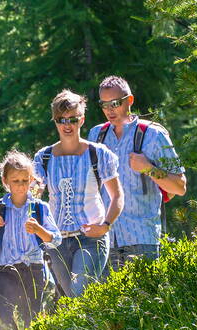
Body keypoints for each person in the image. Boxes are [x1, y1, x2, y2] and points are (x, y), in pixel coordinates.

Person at [87, 76, 186, 271]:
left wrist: (149, 168)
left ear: (129, 101)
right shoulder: (96, 136)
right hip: (105, 241)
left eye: (115, 103)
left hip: (142, 240)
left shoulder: (154, 135)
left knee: (145, 300)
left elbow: (180, 187)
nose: (109, 110)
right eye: (104, 104)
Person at [33, 90, 124, 298]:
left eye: (72, 119)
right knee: (73, 304)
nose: (67, 125)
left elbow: (117, 196)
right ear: (55, 121)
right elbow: (35, 197)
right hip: (56, 242)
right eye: (61, 120)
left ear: (81, 120)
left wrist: (105, 226)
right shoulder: (44, 158)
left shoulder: (98, 154)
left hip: (91, 238)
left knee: (79, 293)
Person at [0, 150, 62, 330]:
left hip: (34, 269)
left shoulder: (40, 208)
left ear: (31, 180)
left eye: (24, 180)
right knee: (4, 313)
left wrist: (40, 230)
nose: (21, 185)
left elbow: (56, 240)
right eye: (15, 181)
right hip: (5, 270)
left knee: (33, 314)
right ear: (5, 182)